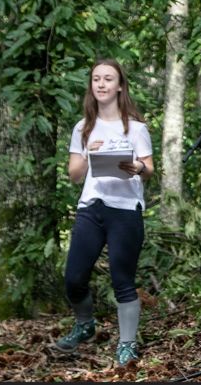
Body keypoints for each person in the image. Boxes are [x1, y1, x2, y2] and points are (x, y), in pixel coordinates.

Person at [51, 59, 156, 368]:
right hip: (91, 207)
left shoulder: (136, 128)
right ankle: (85, 324)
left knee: (122, 279)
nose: (101, 84)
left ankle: (127, 344)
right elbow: (73, 174)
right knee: (73, 278)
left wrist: (137, 166)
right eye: (96, 79)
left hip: (125, 210)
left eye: (108, 79)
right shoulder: (83, 128)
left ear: (120, 86)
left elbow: (149, 170)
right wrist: (87, 151)